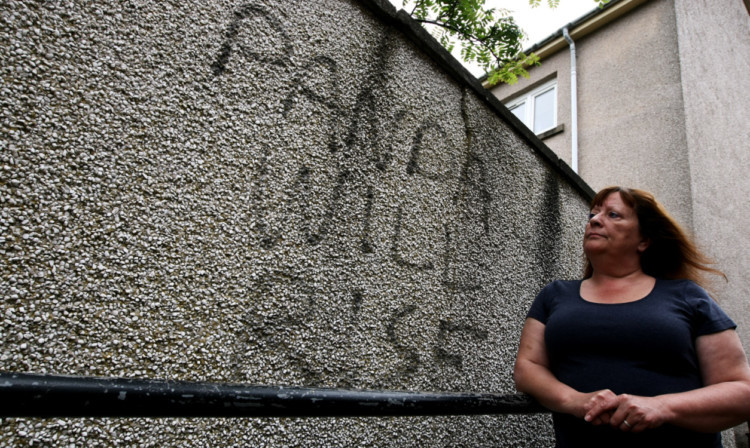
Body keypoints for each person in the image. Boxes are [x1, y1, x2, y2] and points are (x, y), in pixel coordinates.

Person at [514, 186, 750, 447]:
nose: (594, 220)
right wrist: (575, 400)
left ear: (643, 240)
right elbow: (527, 369)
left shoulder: (687, 296)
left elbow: (741, 391)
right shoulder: (554, 295)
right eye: (592, 214)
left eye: (613, 214)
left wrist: (662, 407)